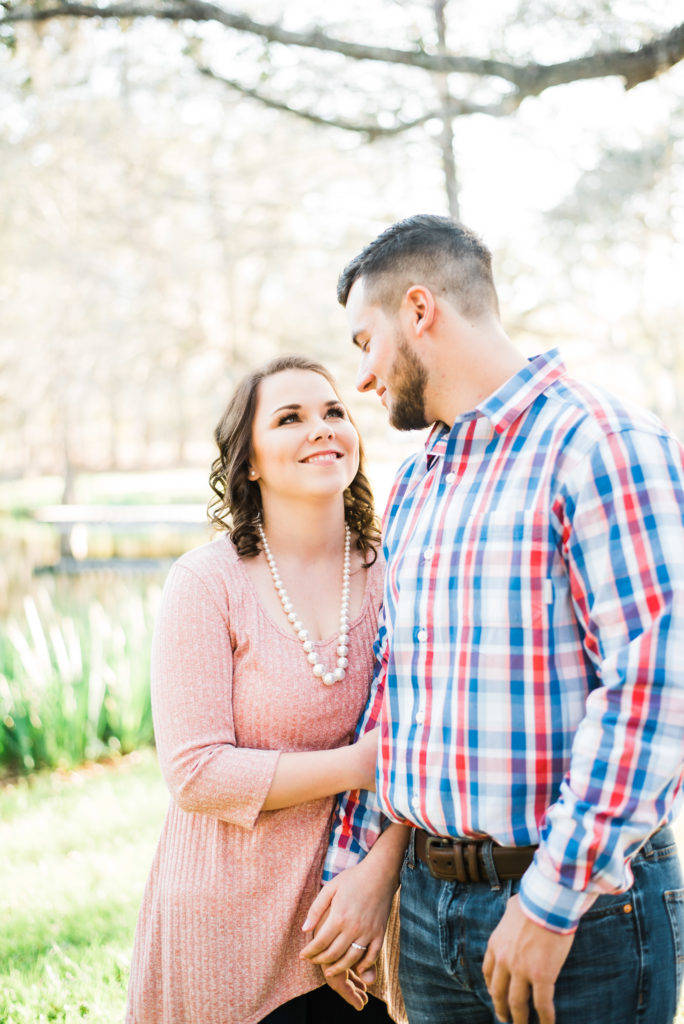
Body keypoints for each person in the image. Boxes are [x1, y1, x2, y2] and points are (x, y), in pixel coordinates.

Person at [301, 215, 684, 1024]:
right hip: (430, 916)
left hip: (586, 918)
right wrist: (361, 866)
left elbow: (656, 693)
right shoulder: (416, 482)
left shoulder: (601, 444)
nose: (362, 377)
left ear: (418, 309)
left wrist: (550, 902)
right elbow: (398, 694)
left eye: (365, 341)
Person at [125, 355, 406, 1024]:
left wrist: (382, 871)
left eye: (334, 411)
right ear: (248, 462)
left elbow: (429, 743)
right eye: (290, 418)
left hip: (360, 922)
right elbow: (196, 773)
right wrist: (364, 766)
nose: (322, 428)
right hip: (227, 929)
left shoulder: (400, 566)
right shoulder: (207, 584)